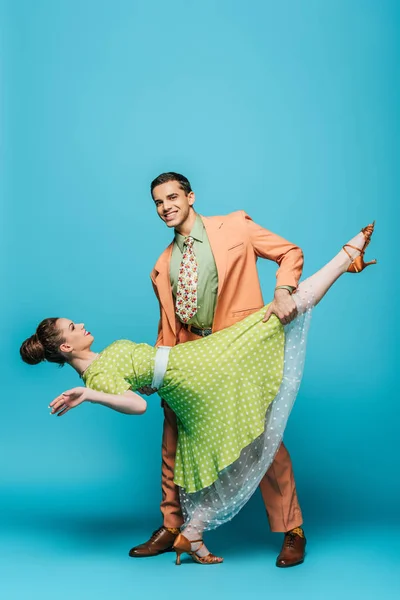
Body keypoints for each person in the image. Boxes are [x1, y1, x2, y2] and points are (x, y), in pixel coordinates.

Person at [20, 221, 376, 565]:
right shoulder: (94, 379)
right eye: (72, 327)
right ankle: (347, 257)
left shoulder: (95, 362)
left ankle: (193, 534)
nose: (81, 324)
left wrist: (128, 378)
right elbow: (136, 404)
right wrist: (90, 395)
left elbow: (129, 372)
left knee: (232, 445)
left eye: (171, 198)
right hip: (191, 371)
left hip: (187, 362)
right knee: (269, 326)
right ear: (66, 346)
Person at [131, 172, 306, 568]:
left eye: (173, 197)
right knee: (173, 437)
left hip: (236, 350)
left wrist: (282, 291)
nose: (166, 207)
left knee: (263, 441)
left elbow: (290, 253)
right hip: (189, 354)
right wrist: (155, 371)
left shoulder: (236, 228)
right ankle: (172, 527)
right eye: (158, 202)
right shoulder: (162, 264)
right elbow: (167, 325)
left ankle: (292, 530)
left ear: (190, 197)